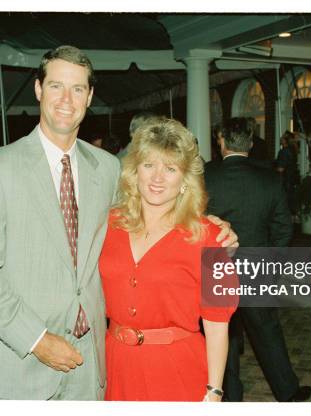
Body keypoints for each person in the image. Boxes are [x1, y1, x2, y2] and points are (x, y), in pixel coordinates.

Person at [0, 44, 241, 400]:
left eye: (77, 89)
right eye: (56, 85)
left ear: (90, 97)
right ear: (38, 89)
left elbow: (149, 212)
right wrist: (37, 339)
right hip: (24, 360)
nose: (66, 98)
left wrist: (208, 225)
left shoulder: (107, 168)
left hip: (94, 364)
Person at [99, 117, 235, 401]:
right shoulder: (108, 225)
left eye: (170, 168)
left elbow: (217, 325)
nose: (157, 178)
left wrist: (214, 390)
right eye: (149, 165)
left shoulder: (210, 237)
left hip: (177, 370)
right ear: (135, 172)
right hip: (116, 366)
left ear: (185, 181)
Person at [205, 118, 311, 402]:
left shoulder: (204, 175)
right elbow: (284, 228)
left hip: (215, 266)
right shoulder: (269, 178)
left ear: (221, 141)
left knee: (222, 330)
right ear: (251, 144)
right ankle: (287, 392)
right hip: (257, 266)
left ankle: (229, 395)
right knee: (266, 330)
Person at [276, 131, 300, 217]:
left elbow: (280, 169)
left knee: (285, 204)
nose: (280, 138)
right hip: (291, 180)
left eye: (282, 137)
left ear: (285, 140)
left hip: (285, 181)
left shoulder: (284, 151)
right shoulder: (292, 150)